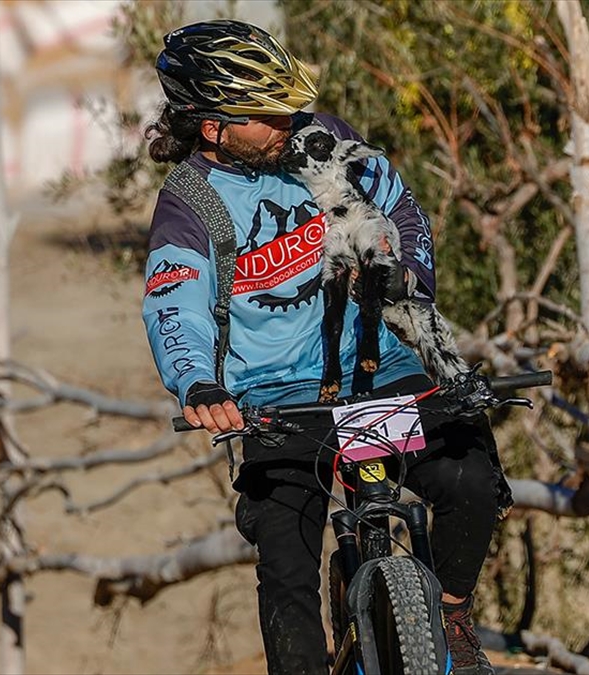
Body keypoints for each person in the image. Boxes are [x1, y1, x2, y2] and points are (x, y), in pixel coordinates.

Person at [141, 19, 507, 675]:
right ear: (211, 126)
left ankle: (450, 615)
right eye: (265, 112)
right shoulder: (189, 204)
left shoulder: (324, 141)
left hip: (372, 371)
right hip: (276, 400)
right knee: (285, 564)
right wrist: (197, 382)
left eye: (288, 102)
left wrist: (411, 277)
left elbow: (398, 205)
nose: (287, 118)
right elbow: (175, 303)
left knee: (470, 474)